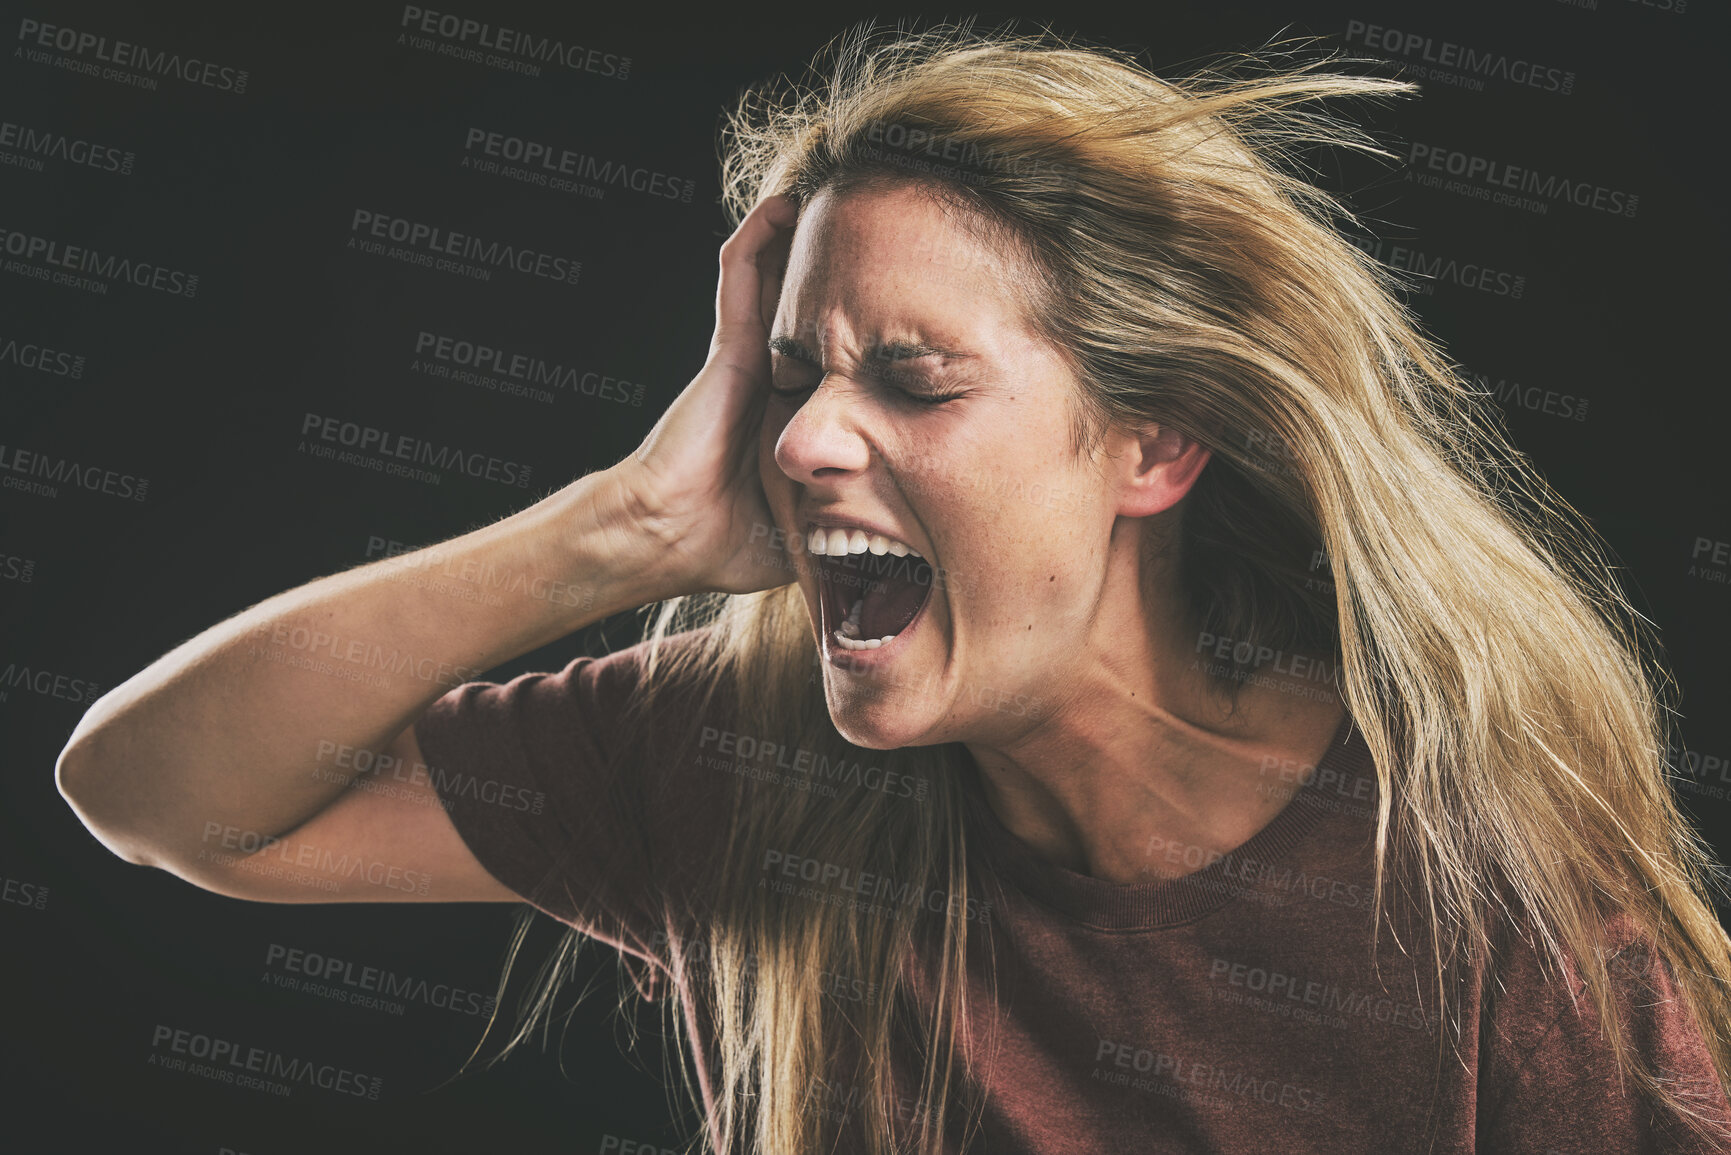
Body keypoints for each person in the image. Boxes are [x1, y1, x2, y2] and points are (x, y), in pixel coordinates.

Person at [56, 20, 1731, 1155]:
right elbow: (166, 798)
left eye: (916, 382)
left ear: (1155, 449)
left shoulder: (1484, 921)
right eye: (795, 377)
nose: (801, 445)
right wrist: (620, 531)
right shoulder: (738, 758)